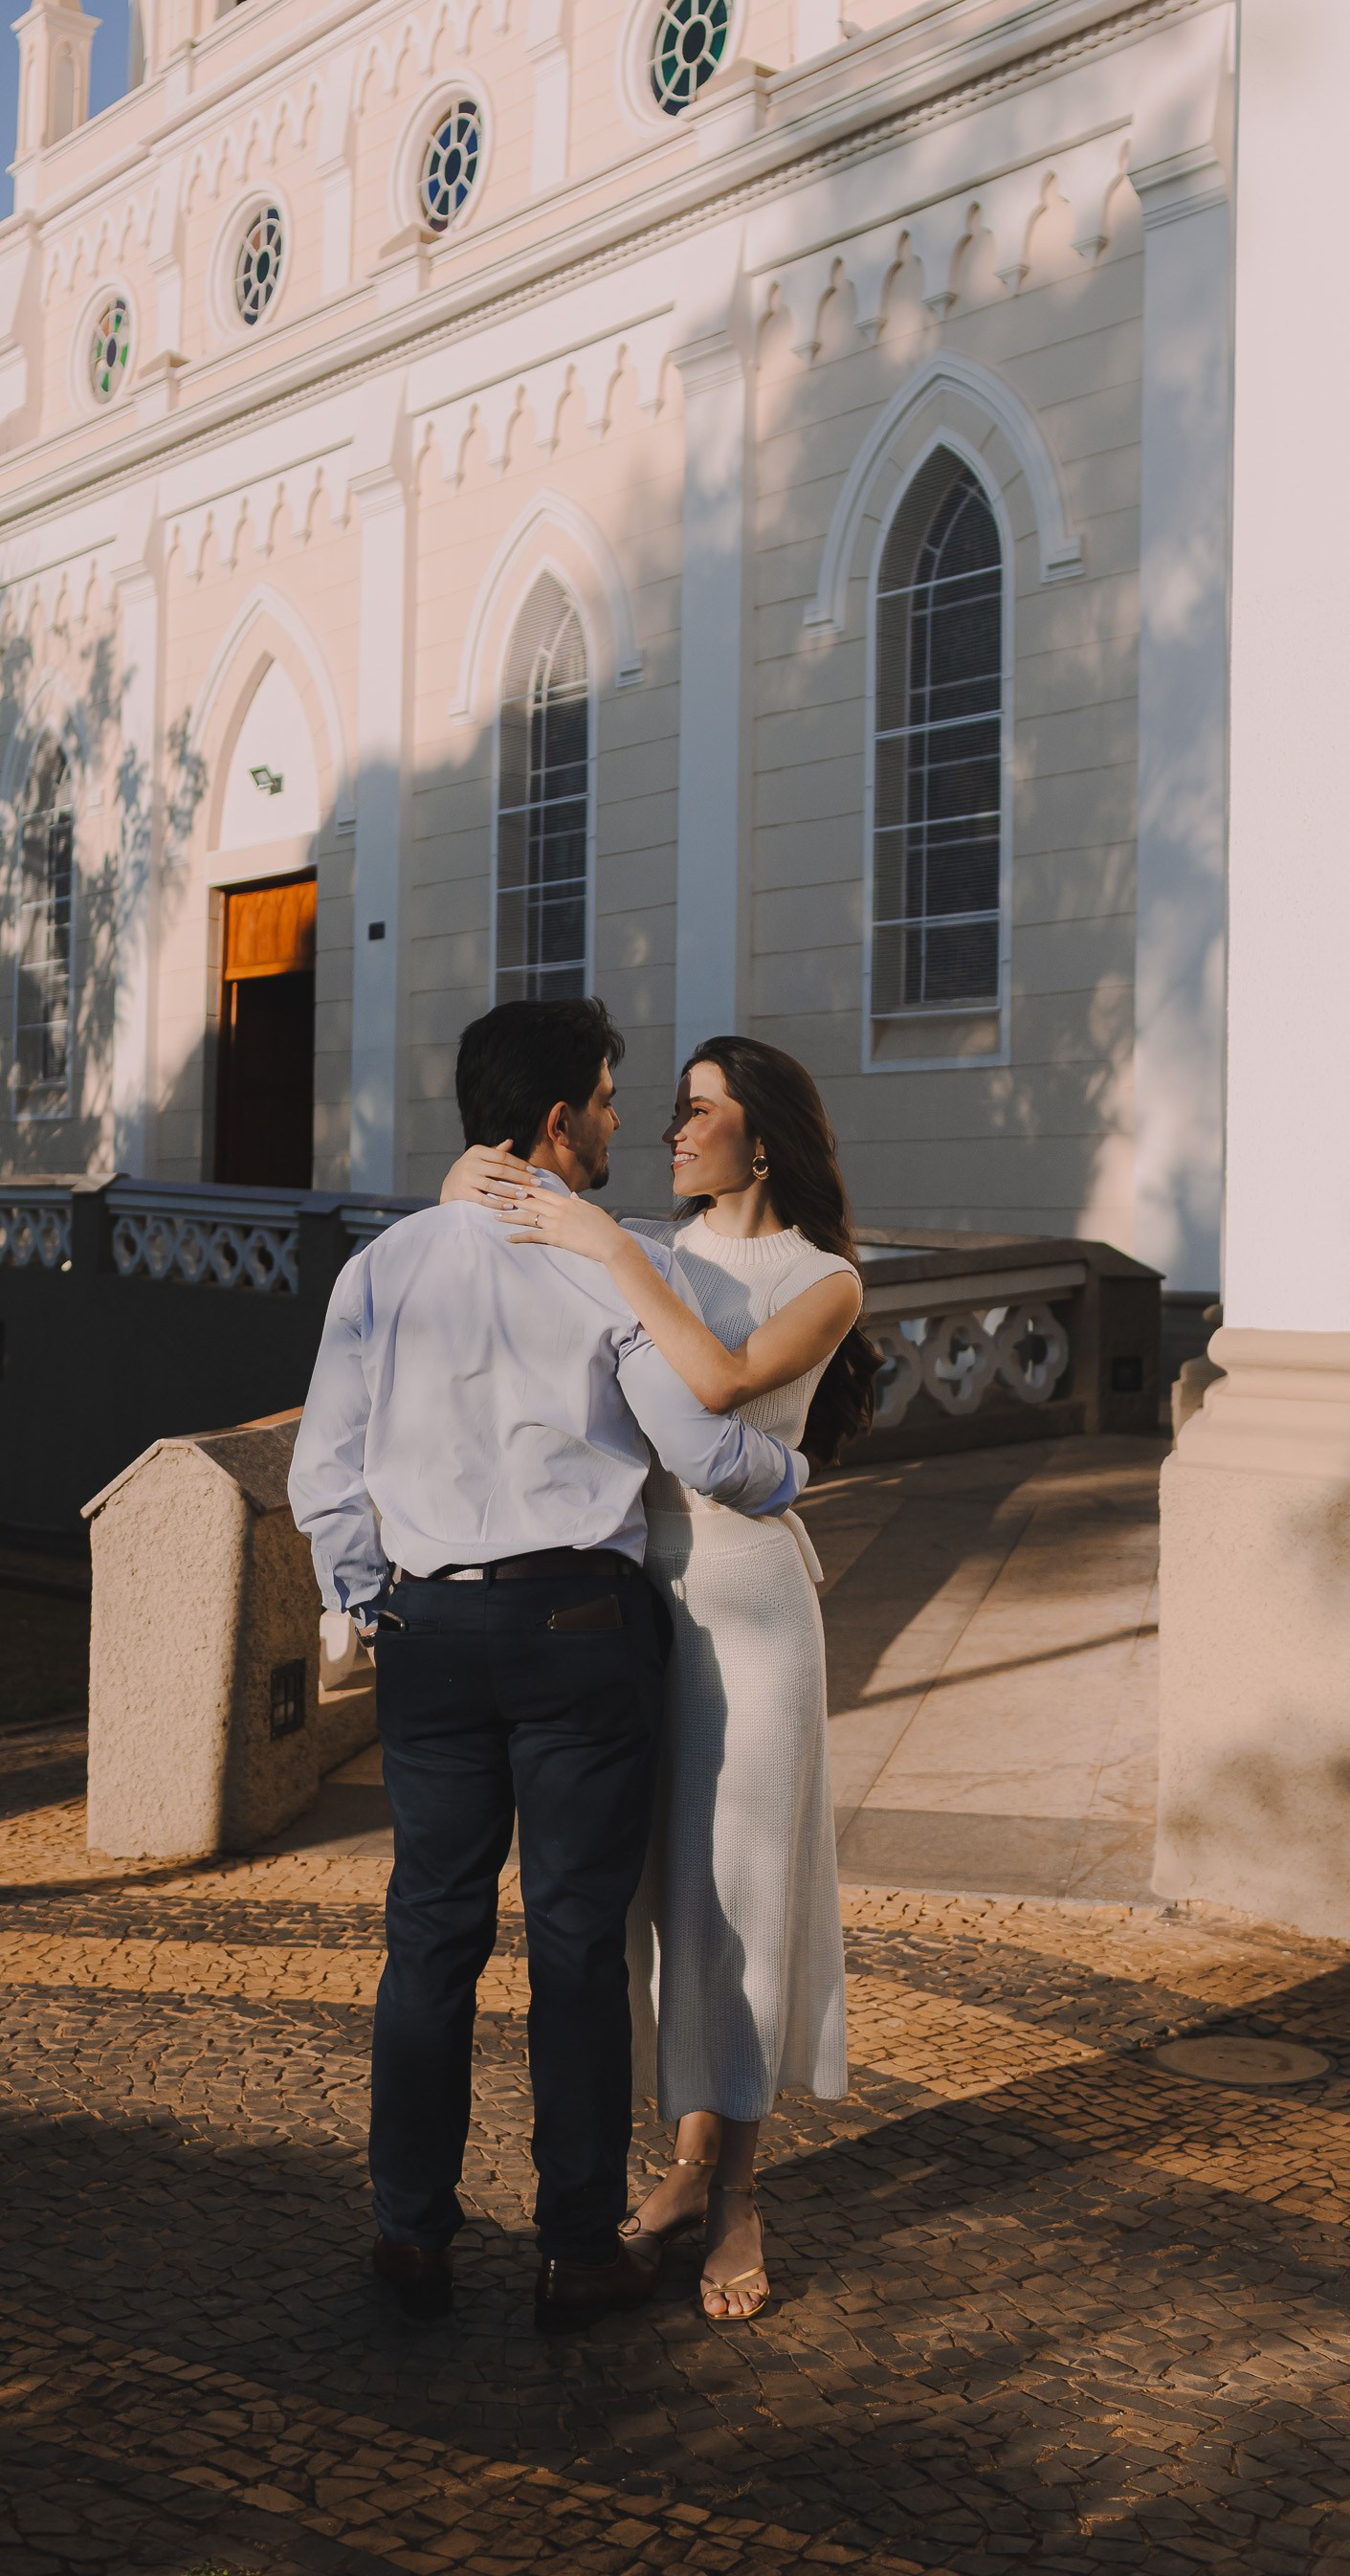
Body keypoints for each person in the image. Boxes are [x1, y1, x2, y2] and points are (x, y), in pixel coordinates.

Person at [287, 999, 808, 2334]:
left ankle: (409, 2224)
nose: (630, 1121)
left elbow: (325, 1476)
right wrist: (794, 1473)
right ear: (561, 1120)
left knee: (429, 1936)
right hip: (578, 1631)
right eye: (615, 1098)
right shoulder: (613, 1264)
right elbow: (701, 1447)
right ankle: (578, 2247)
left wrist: (368, 1603)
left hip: (428, 1635)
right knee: (575, 1946)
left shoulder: (382, 1268)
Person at [442, 1035, 874, 2321]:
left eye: (698, 1113)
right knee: (640, 1896)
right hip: (630, 1606)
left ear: (763, 1137)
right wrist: (486, 1182)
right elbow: (484, 1213)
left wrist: (615, 1251)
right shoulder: (630, 1236)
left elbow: (727, 1383)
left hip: (751, 1616)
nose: (674, 1133)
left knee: (738, 1893)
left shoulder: (825, 1279)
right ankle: (682, 2167)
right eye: (671, 1111)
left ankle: (735, 2188)